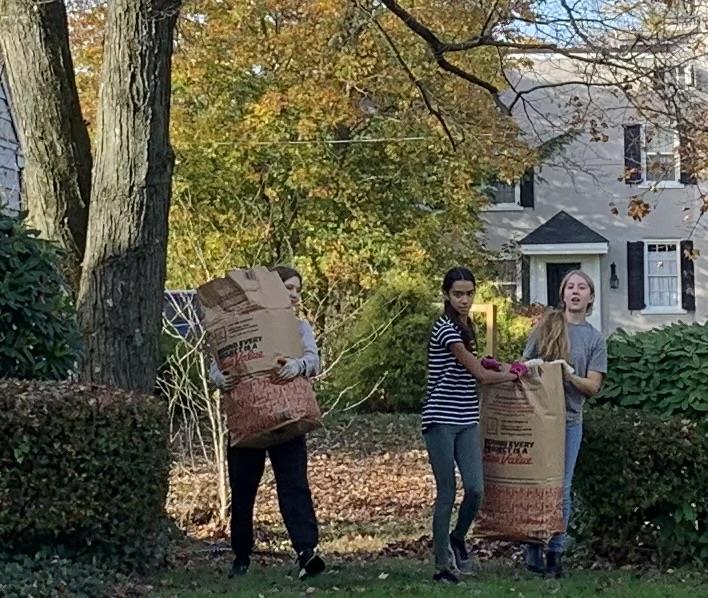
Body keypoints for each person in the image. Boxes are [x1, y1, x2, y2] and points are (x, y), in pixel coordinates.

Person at [210, 265, 325, 580]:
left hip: (287, 417)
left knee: (294, 484)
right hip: (248, 418)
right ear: (272, 290)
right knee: (243, 488)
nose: (294, 295)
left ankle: (306, 552)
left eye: (298, 290)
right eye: (288, 289)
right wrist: (221, 378)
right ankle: (241, 554)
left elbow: (314, 359)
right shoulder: (242, 325)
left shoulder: (298, 327)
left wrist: (297, 366)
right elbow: (217, 362)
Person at [423, 266, 528, 584]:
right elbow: (479, 376)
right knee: (446, 492)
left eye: (469, 293)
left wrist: (487, 362)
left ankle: (457, 539)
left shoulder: (467, 326)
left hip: (467, 416)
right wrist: (512, 374)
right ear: (446, 295)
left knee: (475, 488)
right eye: (458, 294)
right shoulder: (446, 329)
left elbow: (472, 366)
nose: (464, 300)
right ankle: (442, 565)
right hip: (440, 417)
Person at [522, 270, 607, 578]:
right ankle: (532, 547)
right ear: (563, 294)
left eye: (582, 287)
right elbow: (522, 366)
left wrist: (569, 375)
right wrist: (538, 368)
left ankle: (555, 554)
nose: (575, 291)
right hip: (539, 419)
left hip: (570, 421)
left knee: (562, 487)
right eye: (570, 286)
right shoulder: (546, 326)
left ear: (590, 297)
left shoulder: (595, 339)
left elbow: (593, 386)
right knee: (536, 485)